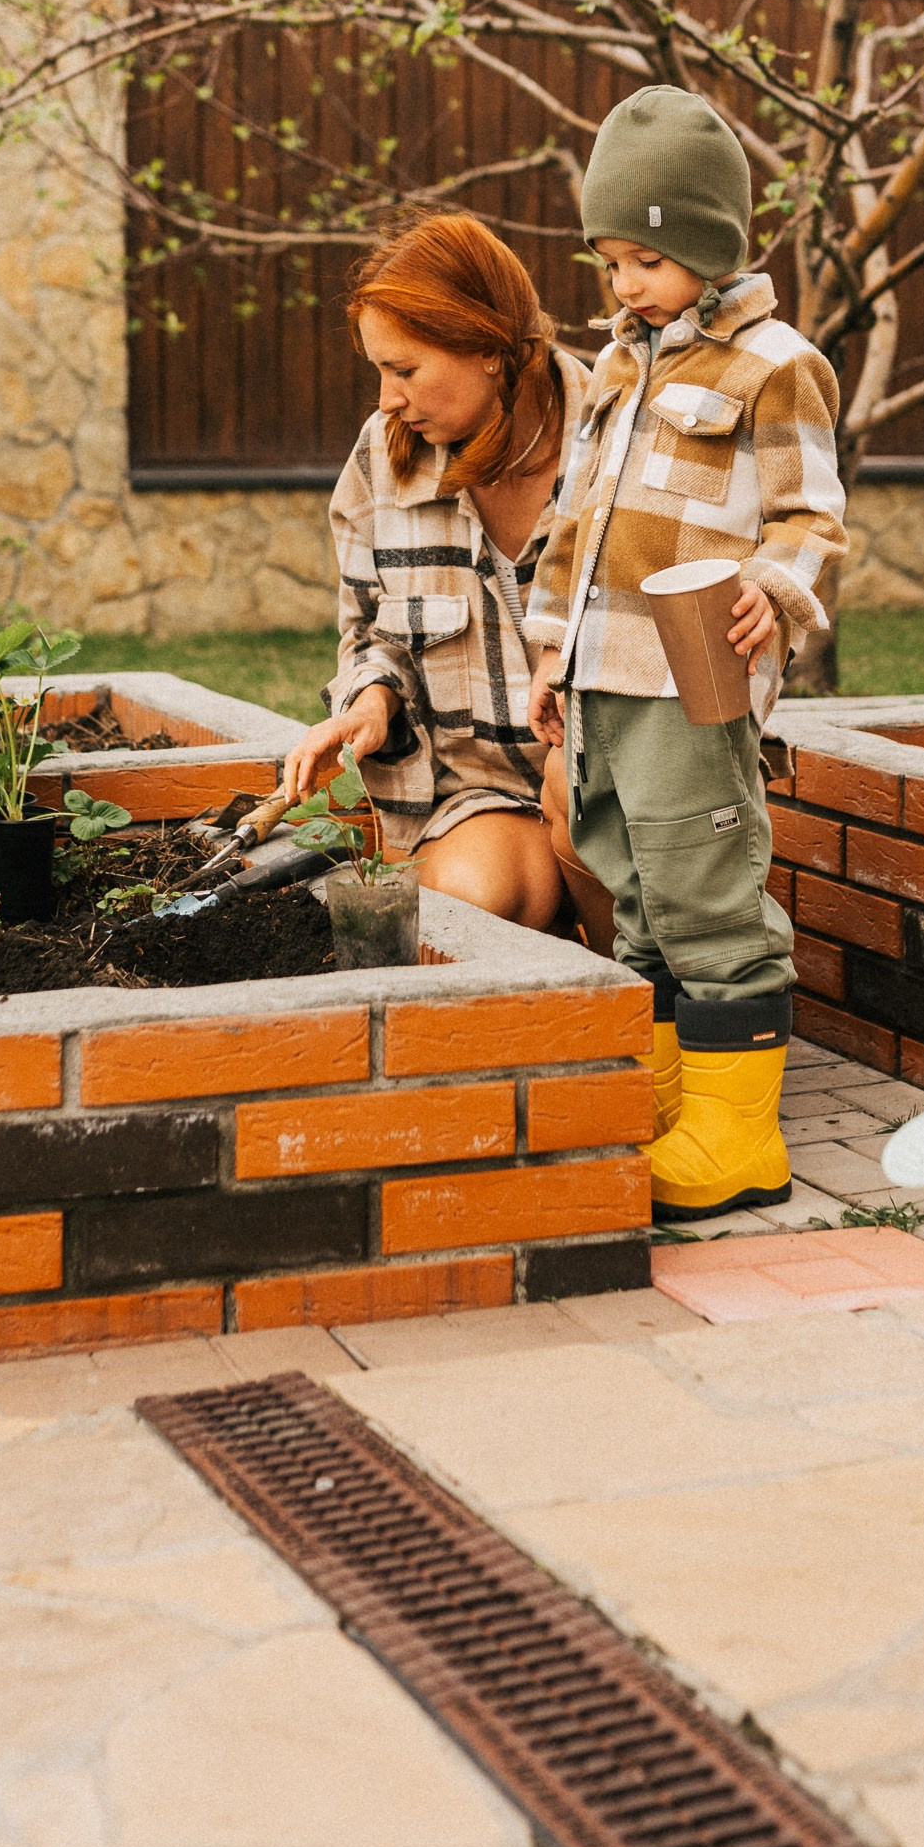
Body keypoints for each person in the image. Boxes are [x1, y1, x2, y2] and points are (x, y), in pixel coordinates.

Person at [525, 86, 846, 1219]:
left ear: (709, 247)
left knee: (702, 888)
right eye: (610, 263)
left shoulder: (776, 365)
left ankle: (739, 1136)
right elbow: (571, 526)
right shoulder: (618, 366)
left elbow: (810, 518)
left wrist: (774, 587)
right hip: (601, 673)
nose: (625, 285)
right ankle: (670, 1102)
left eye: (647, 261)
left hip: (690, 676)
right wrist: (549, 654)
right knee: (633, 886)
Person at [284, 213, 611, 936]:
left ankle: (627, 980)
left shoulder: (617, 442)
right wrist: (370, 703)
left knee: (582, 802)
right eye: (379, 371)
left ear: (488, 349)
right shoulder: (383, 457)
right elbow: (372, 632)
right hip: (482, 793)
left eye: (404, 371)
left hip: (617, 784)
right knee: (471, 901)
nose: (386, 399)